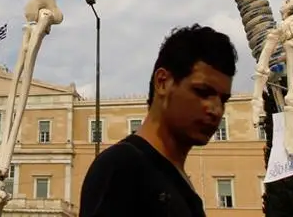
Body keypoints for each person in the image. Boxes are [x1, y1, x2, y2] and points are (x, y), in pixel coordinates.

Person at [79, 24, 238, 217]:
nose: (216, 110)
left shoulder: (177, 182)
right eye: (202, 92)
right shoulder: (122, 168)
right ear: (163, 82)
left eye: (223, 100)